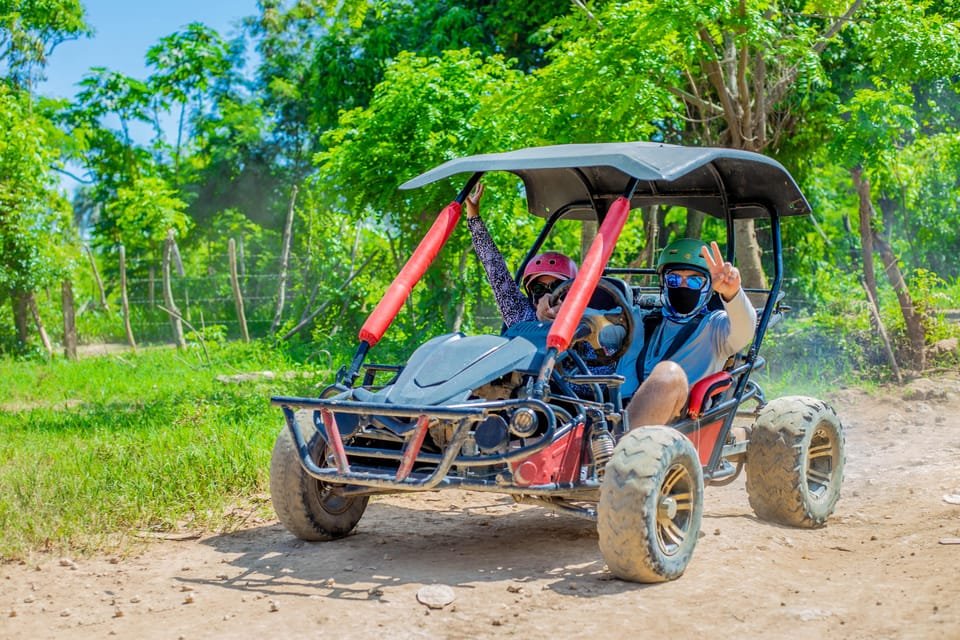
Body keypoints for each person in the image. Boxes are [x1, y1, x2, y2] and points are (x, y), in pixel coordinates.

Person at [617, 238, 757, 428]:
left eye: (694, 281)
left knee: (669, 374)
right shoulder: (642, 318)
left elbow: (744, 330)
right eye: (674, 279)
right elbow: (601, 322)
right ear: (663, 282)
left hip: (683, 417)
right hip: (622, 408)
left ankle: (625, 448)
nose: (682, 286)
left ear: (708, 287)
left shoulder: (716, 326)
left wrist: (732, 294)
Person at [464, 182, 577, 327]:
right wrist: (473, 217)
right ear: (531, 294)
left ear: (572, 292)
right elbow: (495, 268)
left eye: (557, 287)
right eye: (539, 289)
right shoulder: (520, 314)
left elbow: (608, 342)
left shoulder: (587, 321)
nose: (548, 296)